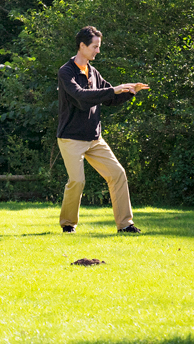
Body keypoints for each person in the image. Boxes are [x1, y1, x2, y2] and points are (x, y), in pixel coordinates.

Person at [57, 26, 149, 234]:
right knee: (77, 181)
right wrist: (112, 89)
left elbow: (109, 98)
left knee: (117, 174)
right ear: (82, 46)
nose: (98, 51)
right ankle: (68, 224)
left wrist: (129, 92)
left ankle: (125, 225)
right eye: (95, 47)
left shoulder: (93, 72)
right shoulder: (66, 72)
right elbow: (81, 97)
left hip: (94, 138)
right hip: (71, 138)